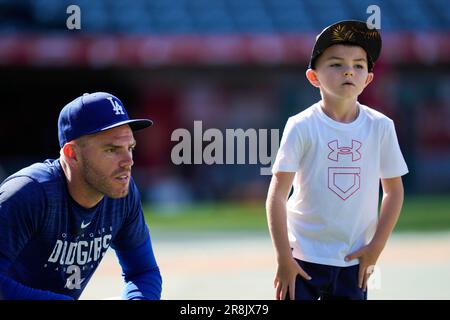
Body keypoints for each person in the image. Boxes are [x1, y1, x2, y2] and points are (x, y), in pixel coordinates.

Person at [266, 20, 408, 300]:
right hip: (302, 260)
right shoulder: (301, 125)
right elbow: (277, 196)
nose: (348, 70)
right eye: (336, 64)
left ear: (368, 78)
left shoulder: (381, 126)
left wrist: (375, 248)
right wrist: (284, 257)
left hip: (353, 262)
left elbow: (393, 191)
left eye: (358, 65)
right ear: (313, 77)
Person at [0, 92, 162, 300]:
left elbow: (143, 272)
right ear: (72, 154)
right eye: (112, 150)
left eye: (130, 148)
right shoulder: (28, 193)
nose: (127, 161)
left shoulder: (121, 193)